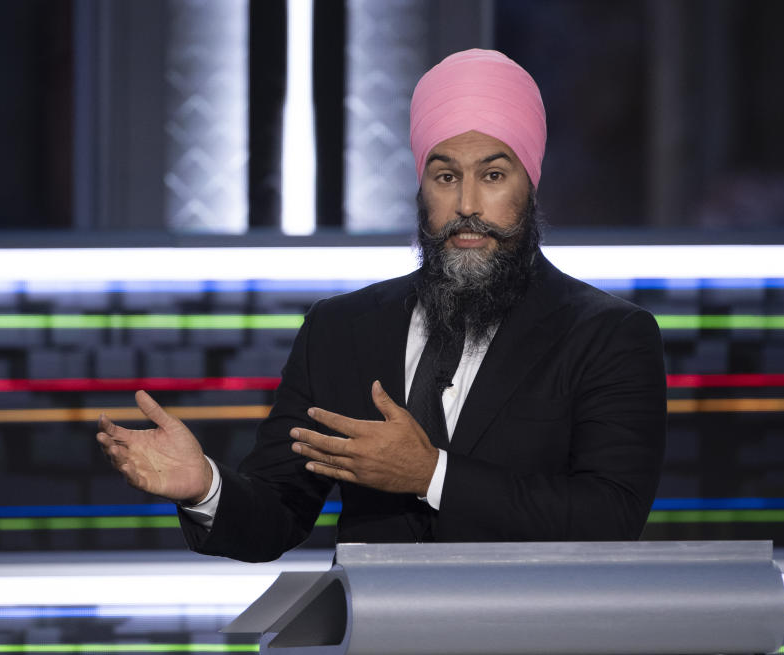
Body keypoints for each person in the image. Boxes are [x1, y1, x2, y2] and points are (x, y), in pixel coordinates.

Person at [97, 49, 667, 563]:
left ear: (530, 185)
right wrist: (205, 487)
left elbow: (608, 515)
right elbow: (277, 513)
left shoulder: (609, 335)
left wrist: (431, 474)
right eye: (446, 176)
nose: (467, 204)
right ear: (422, 189)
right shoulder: (340, 330)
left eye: (493, 175)